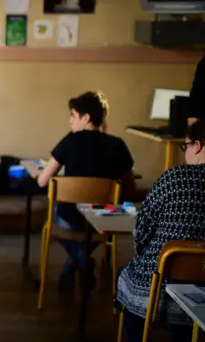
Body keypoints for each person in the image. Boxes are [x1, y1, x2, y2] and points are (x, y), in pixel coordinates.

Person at [37, 91, 137, 290]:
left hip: (70, 220)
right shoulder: (117, 145)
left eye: (73, 116)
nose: (70, 122)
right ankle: (82, 258)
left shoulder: (70, 141)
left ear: (86, 118)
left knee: (55, 214)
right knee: (96, 229)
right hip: (104, 221)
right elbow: (131, 189)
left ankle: (77, 259)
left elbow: (42, 181)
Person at [116, 120, 205, 342]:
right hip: (202, 297)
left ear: (198, 146)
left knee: (126, 276)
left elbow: (142, 231)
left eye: (185, 147)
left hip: (157, 290)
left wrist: (146, 255)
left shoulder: (174, 178)